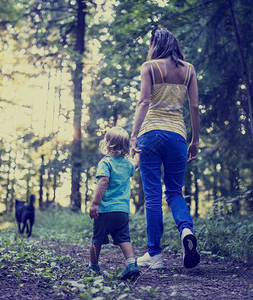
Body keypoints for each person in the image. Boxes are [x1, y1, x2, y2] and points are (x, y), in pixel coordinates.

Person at [130, 28, 201, 269]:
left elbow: (144, 101)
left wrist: (133, 135)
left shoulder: (149, 67)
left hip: (150, 134)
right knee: (174, 192)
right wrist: (195, 140)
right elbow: (194, 106)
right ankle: (186, 231)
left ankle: (155, 255)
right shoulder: (189, 70)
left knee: (152, 194)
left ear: (155, 44)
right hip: (178, 136)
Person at [88, 127, 141, 280]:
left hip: (105, 210)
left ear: (107, 144)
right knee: (124, 238)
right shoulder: (126, 164)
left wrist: (95, 203)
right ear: (125, 147)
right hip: (122, 211)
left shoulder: (105, 162)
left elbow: (103, 181)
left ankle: (93, 266)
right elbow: (136, 164)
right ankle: (131, 263)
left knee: (96, 239)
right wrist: (137, 152)